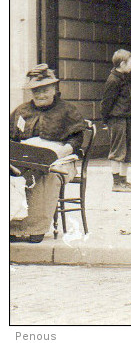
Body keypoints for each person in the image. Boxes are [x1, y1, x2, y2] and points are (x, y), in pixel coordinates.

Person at [9, 64, 89, 243]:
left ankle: (35, 228)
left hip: (61, 160)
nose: (40, 95)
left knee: (50, 174)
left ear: (54, 88)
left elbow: (76, 140)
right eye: (36, 91)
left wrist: (61, 152)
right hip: (25, 160)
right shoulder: (22, 111)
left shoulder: (66, 110)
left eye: (44, 90)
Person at [101, 49, 131, 193]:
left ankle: (123, 180)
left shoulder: (123, 77)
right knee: (117, 151)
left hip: (127, 119)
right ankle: (116, 183)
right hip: (117, 120)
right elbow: (106, 103)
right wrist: (106, 121)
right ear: (122, 64)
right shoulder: (113, 80)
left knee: (128, 150)